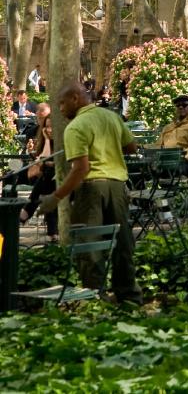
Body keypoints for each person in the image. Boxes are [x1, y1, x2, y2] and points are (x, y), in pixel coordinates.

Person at [38, 82, 142, 304]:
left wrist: (56, 197)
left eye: (62, 104)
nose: (61, 109)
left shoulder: (76, 127)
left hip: (91, 189)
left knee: (89, 246)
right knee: (122, 243)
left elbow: (81, 169)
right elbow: (132, 147)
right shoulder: (112, 117)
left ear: (76, 98)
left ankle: (95, 299)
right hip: (117, 186)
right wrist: (108, 148)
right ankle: (129, 297)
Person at [19, 105, 58, 241]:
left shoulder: (64, 141)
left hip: (63, 181)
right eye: (47, 126)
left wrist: (48, 163)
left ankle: (26, 211)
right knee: (48, 184)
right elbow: (43, 159)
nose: (49, 129)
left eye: (52, 126)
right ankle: (53, 234)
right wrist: (47, 140)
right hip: (47, 179)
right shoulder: (44, 138)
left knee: (48, 180)